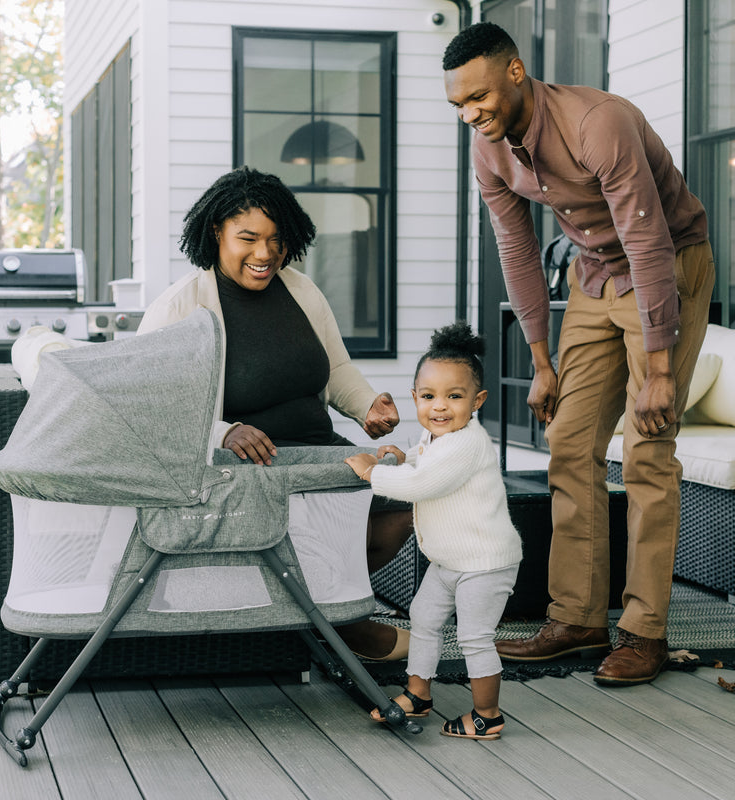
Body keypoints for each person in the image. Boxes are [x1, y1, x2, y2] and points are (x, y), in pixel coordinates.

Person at [442, 23, 715, 686]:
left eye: (478, 96)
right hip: (594, 274)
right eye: (457, 104)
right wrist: (541, 362)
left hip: (668, 265)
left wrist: (656, 371)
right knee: (569, 444)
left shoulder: (600, 122)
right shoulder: (489, 150)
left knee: (648, 450)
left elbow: (647, 243)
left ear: (515, 73)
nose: (470, 113)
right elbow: (518, 251)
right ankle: (578, 618)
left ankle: (644, 631)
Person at [138, 166, 412, 660]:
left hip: (321, 451)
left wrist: (366, 405)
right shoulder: (182, 307)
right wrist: (224, 432)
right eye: (248, 238)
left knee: (404, 506)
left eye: (276, 239)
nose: (265, 254)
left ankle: (327, 611)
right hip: (253, 470)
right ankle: (341, 625)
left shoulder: (301, 289)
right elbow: (155, 410)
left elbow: (335, 367)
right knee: (336, 521)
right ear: (215, 232)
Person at [345, 322, 522, 740]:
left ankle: (487, 715)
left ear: (477, 401)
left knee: (474, 638)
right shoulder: (438, 437)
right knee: (423, 619)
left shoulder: (466, 444)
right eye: (429, 397)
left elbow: (424, 485)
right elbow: (424, 469)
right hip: (449, 560)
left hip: (484, 564)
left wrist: (373, 474)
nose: (439, 407)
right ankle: (419, 693)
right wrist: (403, 460)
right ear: (415, 398)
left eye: (454, 397)